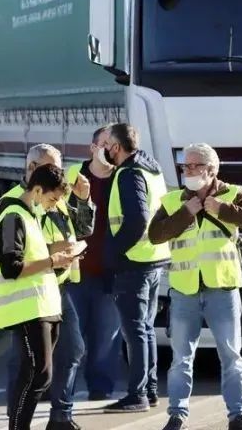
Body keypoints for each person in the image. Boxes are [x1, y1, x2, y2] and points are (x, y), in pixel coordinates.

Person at [149, 144, 242, 430]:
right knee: (181, 359)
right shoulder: (173, 200)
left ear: (212, 170)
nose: (187, 170)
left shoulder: (232, 194)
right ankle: (176, 416)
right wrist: (186, 213)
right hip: (184, 290)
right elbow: (154, 235)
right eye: (185, 166)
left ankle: (237, 416)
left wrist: (223, 209)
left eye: (194, 166)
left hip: (222, 289)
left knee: (231, 356)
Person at [0, 145, 93, 430]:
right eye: (51, 169)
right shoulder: (13, 203)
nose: (58, 176)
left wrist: (84, 200)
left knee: (70, 351)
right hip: (30, 291)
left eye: (60, 169)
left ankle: (60, 416)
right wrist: (56, 254)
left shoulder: (55, 193)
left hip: (56, 287)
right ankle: (16, 418)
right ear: (31, 170)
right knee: (28, 364)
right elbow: (13, 254)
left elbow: (83, 228)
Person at [0, 163, 74, 430]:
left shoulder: (31, 215)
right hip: (27, 310)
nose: (53, 206)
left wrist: (57, 255)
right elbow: (11, 267)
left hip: (43, 306)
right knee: (38, 374)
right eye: (51, 199)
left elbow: (32, 257)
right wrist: (52, 260)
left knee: (40, 376)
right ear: (37, 190)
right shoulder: (13, 215)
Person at [101, 123, 170, 413]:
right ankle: (150, 390)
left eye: (106, 143)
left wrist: (113, 252)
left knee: (135, 331)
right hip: (153, 257)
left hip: (135, 262)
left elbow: (137, 220)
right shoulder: (151, 168)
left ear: (116, 147)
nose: (103, 149)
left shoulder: (129, 174)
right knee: (145, 328)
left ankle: (138, 394)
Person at [67, 128, 122, 402]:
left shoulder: (122, 178)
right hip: (74, 269)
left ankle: (100, 388)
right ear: (92, 147)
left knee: (106, 336)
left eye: (113, 145)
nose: (109, 149)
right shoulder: (72, 176)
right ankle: (62, 386)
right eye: (104, 144)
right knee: (71, 336)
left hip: (109, 271)